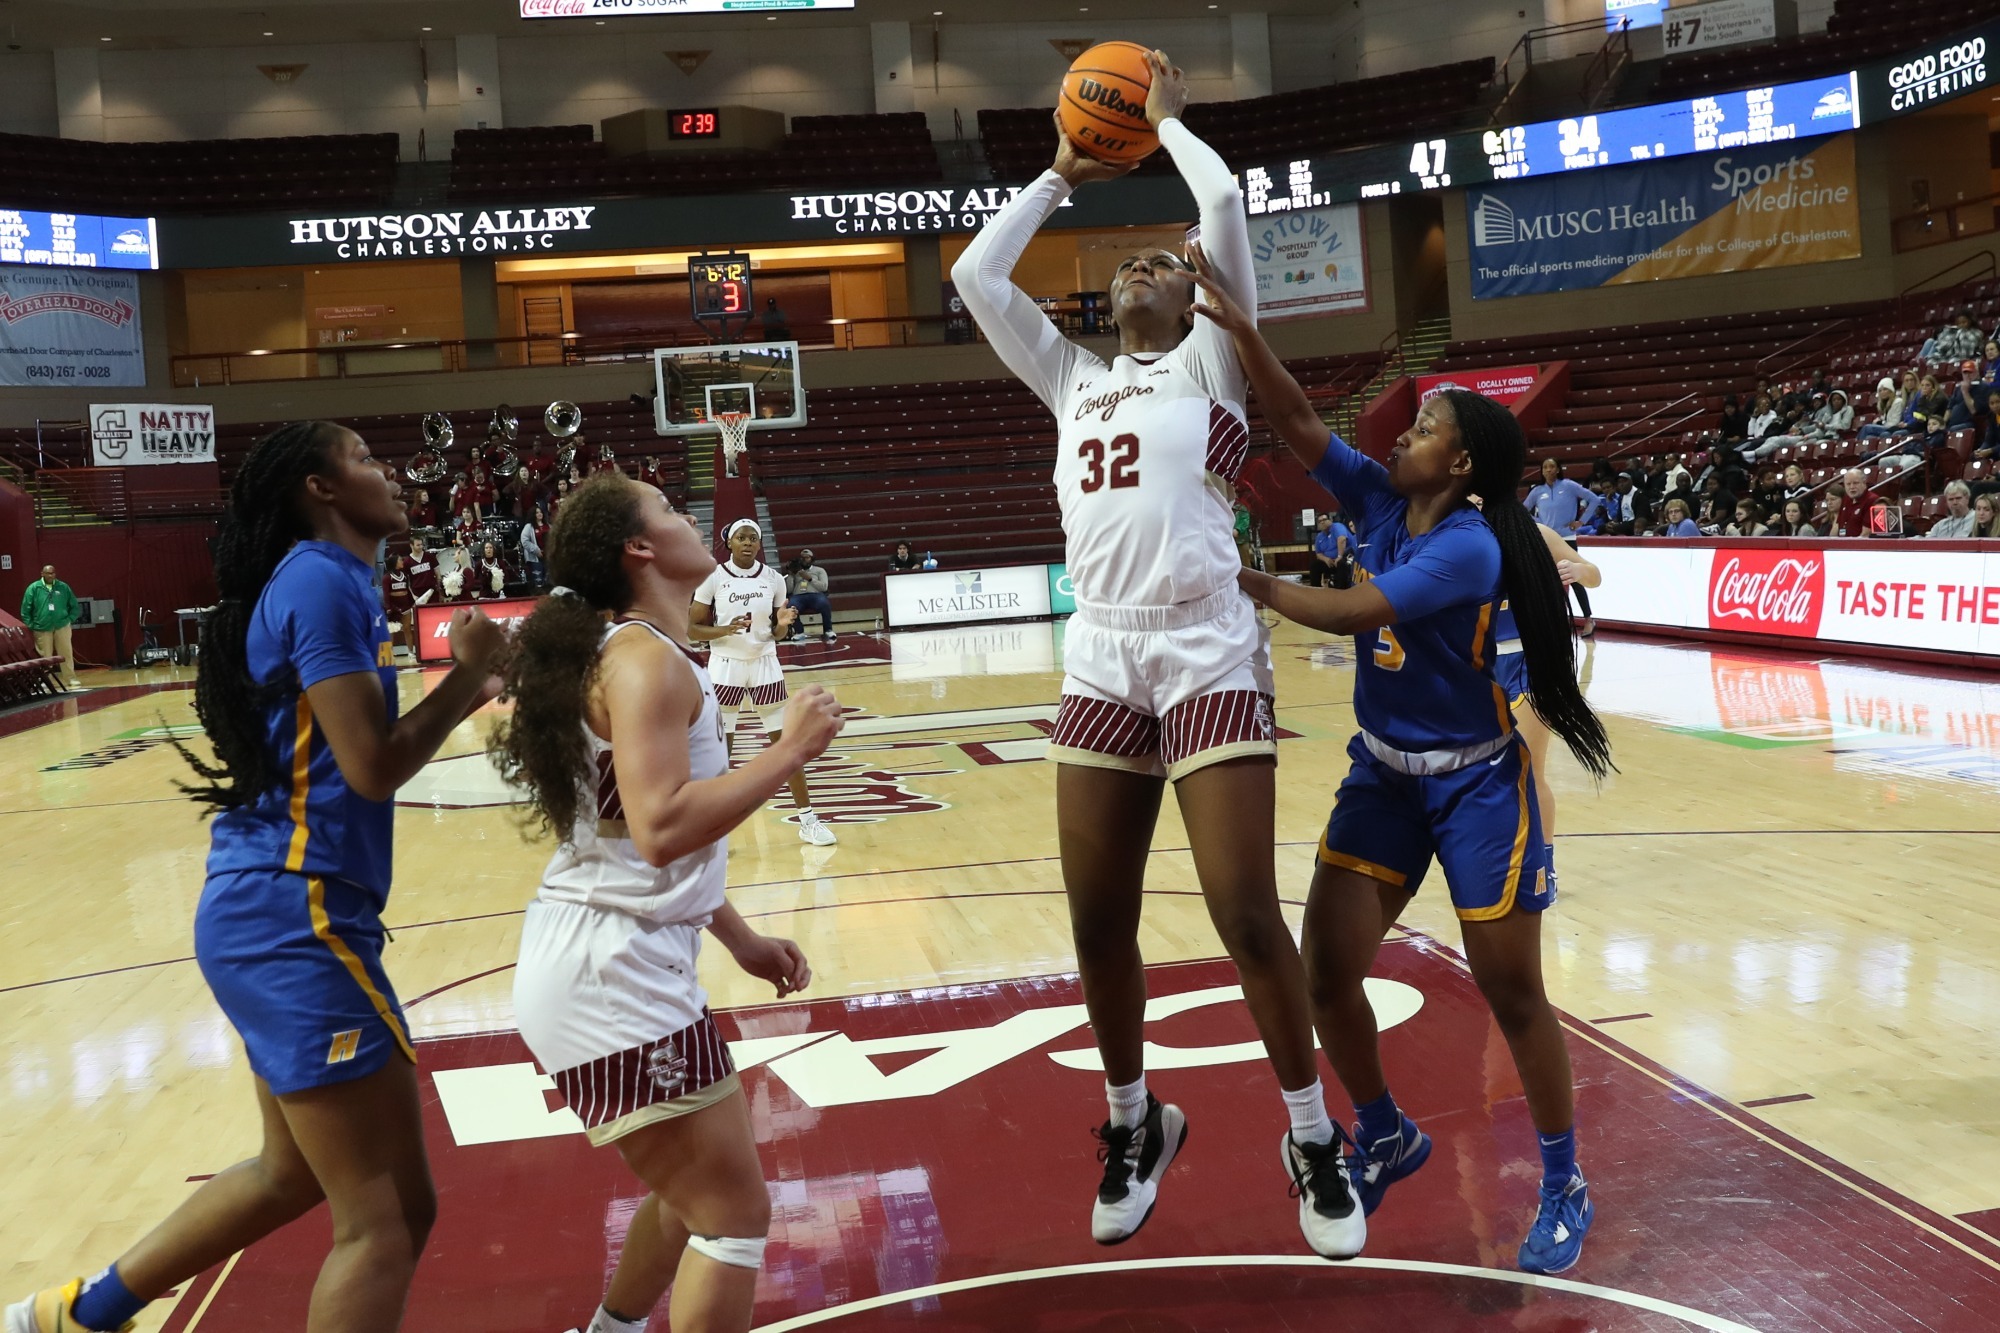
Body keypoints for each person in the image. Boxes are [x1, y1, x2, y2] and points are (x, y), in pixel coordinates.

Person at [951, 49, 1363, 1257]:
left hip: (1204, 646)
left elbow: (1221, 201)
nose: (1139, 267)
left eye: (1161, 263)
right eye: (1122, 265)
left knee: (1242, 912)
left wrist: (1166, 121)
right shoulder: (1068, 378)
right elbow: (974, 274)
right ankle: (1135, 1122)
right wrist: (1056, 174)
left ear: (1193, 298)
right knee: (1095, 919)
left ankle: (1310, 1135)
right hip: (1101, 654)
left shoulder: (1212, 359)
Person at [7, 422, 506, 1333]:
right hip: (295, 909)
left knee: (291, 1174)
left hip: (274, 905)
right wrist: (465, 677)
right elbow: (371, 765)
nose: (388, 471)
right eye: (364, 459)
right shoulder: (319, 580)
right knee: (388, 1219)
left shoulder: (332, 580)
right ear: (319, 487)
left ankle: (73, 1314)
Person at [1192, 250, 1613, 1274]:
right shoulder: (1381, 502)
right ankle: (1383, 1131)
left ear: (1459, 464)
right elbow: (1298, 422)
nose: (1401, 433)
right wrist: (1243, 332)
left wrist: (1240, 576)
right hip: (1382, 774)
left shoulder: (1468, 545)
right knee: (1325, 974)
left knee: (1511, 989)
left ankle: (1563, 1180)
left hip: (1475, 781)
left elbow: (1352, 610)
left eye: (1423, 428)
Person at [487, 473, 840, 1333]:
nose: (692, 517)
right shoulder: (644, 659)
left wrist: (739, 936)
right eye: (672, 510)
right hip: (612, 971)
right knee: (734, 1213)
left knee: (693, 1195)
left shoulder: (638, 651)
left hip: (612, 953)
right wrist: (788, 750)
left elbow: (625, 830)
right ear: (640, 548)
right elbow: (660, 828)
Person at [691, 520, 838, 847]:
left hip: (765, 663)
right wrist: (724, 630)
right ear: (729, 543)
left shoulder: (773, 579)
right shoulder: (713, 577)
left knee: (786, 745)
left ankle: (808, 821)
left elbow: (776, 633)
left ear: (759, 544)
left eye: (753, 538)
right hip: (725, 666)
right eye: (741, 538)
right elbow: (692, 628)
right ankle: (712, 830)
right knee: (721, 752)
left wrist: (782, 625)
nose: (748, 543)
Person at [1485, 522, 1602, 899]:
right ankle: (1501, 860)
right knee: (1487, 774)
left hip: (1529, 660)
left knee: (1529, 771)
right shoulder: (1458, 534)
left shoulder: (1534, 533)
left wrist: (1578, 571)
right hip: (1480, 664)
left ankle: (1543, 868)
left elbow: (1594, 575)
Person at [1524, 458, 1598, 634]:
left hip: (1567, 538)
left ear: (1558, 469)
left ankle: (1588, 619)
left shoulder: (1569, 485)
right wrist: (1539, 522)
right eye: (1545, 467)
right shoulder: (1537, 491)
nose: (1548, 470)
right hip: (1547, 540)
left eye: (1551, 467)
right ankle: (1554, 621)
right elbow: (1522, 510)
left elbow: (1594, 499)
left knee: (1575, 581)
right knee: (1549, 582)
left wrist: (1581, 521)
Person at [19, 563, 81, 688]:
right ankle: (47, 681)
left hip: (62, 625)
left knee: (66, 653)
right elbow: (25, 609)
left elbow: (74, 605)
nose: (51, 575)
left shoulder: (63, 587)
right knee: (45, 656)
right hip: (42, 627)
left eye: (53, 573)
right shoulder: (34, 588)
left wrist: (69, 619)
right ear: (42, 574)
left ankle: (70, 678)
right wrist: (32, 625)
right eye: (48, 573)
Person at [784, 549, 835, 642]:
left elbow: (824, 587)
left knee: (824, 604)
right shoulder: (795, 572)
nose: (804, 560)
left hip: (815, 595)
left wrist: (810, 579)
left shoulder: (819, 570)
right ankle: (799, 631)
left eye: (807, 558)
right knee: (791, 606)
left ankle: (828, 630)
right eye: (802, 558)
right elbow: (789, 589)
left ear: (812, 559)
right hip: (798, 596)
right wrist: (791, 574)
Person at [1305, 511, 1353, 587]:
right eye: (1320, 521)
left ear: (1330, 520)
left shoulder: (1337, 526)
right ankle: (1316, 590)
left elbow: (1342, 539)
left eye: (1324, 520)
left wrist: (1339, 556)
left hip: (1346, 557)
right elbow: (1318, 553)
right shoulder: (1319, 536)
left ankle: (1341, 590)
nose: (1322, 522)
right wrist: (1326, 559)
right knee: (1314, 566)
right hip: (1330, 561)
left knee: (1341, 564)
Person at [383, 554, 415, 656]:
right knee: (391, 631)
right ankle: (389, 654)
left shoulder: (405, 575)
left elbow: (408, 590)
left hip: (405, 606)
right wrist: (388, 608)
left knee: (407, 629)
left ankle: (410, 652)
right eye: (400, 560)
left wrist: (412, 603)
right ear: (395, 562)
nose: (402, 561)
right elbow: (386, 594)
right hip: (394, 608)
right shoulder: (387, 578)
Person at [519, 517, 545, 589]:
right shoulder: (529, 527)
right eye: (537, 512)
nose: (539, 514)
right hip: (535, 558)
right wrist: (536, 550)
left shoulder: (548, 525)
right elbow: (524, 541)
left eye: (541, 512)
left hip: (548, 557)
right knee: (537, 583)